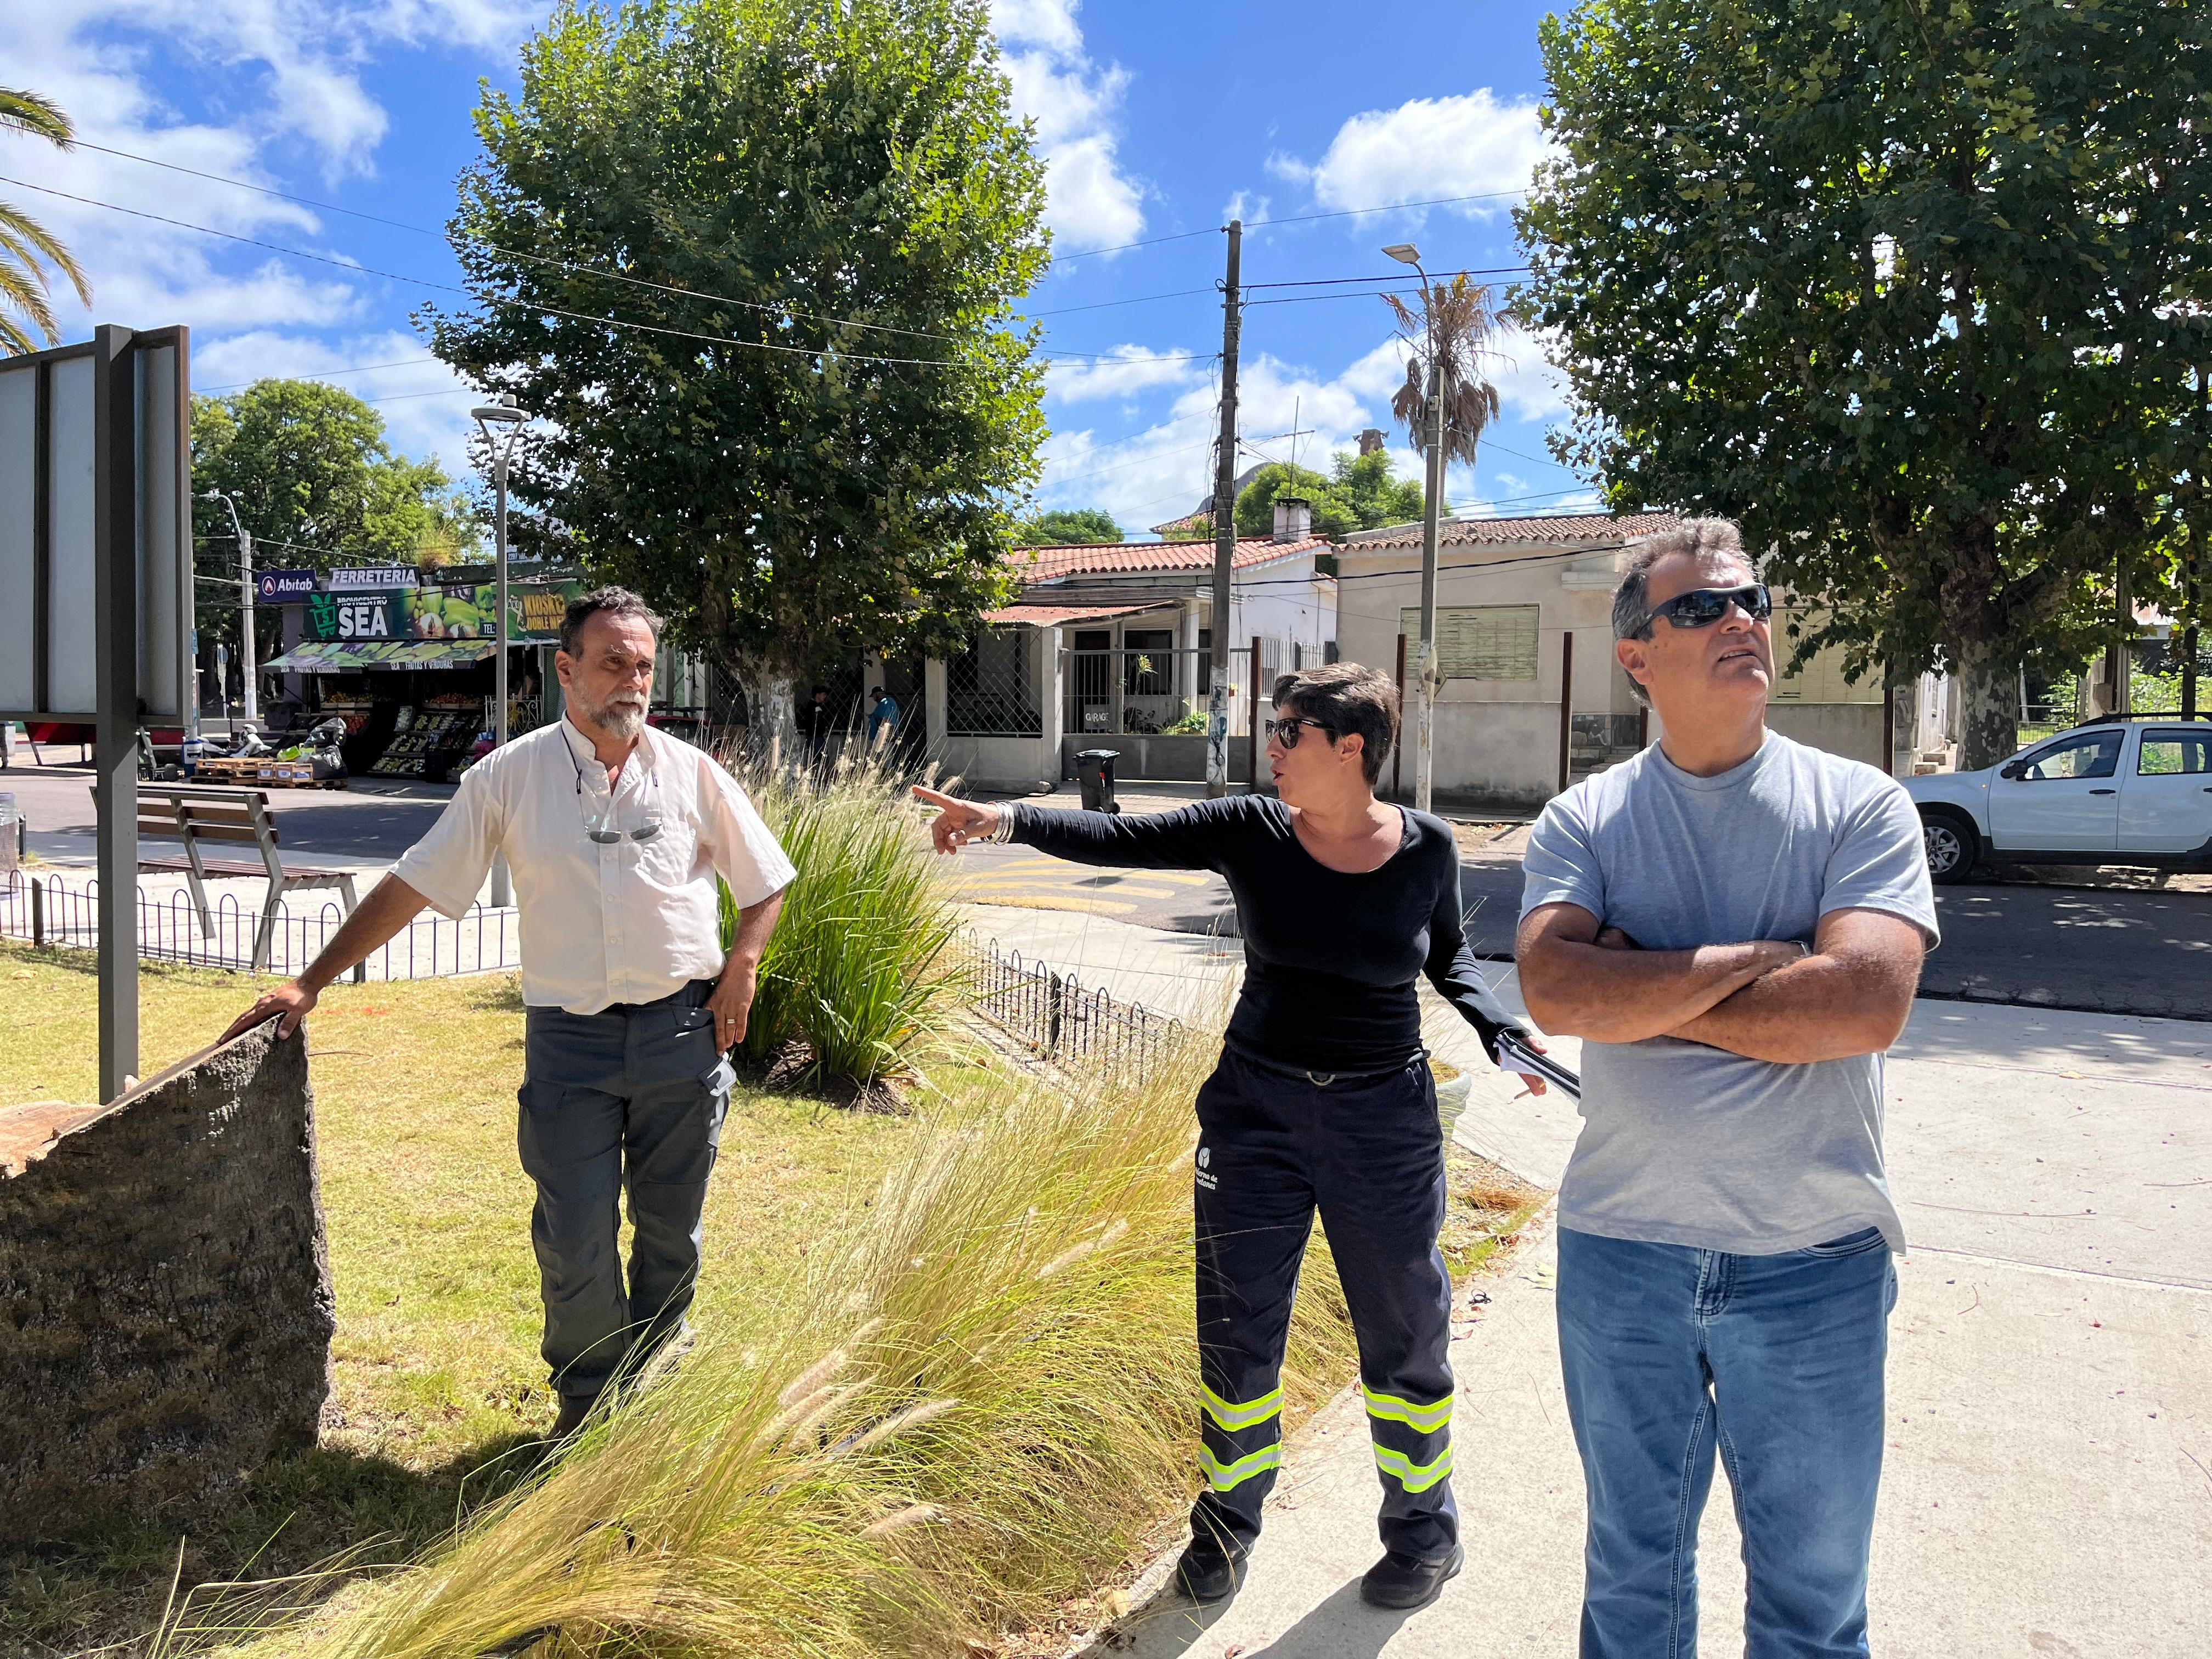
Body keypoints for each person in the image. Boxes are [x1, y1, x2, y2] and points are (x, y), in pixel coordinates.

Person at [917, 663, 1553, 1613]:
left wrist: (1495, 1024)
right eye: (1274, 729)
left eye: (1290, 731)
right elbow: (1119, 837)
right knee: (1236, 1327)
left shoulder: (1427, 845)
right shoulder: (1250, 828)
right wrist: (1005, 819)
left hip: (1382, 1120)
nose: (1273, 746)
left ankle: (1424, 1529)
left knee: (1403, 1327)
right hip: (1255, 1112)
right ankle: (1227, 1522)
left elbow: (1449, 951)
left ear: (1351, 747)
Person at [220, 587, 795, 1440]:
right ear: (565, 670)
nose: (631, 682)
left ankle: (657, 1385)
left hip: (684, 1031)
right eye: (612, 663)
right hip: (572, 1040)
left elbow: (766, 880)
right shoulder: (508, 776)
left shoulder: (692, 774)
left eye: (642, 665)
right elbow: (418, 881)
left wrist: (742, 967)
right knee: (574, 1236)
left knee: (672, 1226)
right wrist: (310, 980)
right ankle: (589, 1406)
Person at [1514, 518, 1936, 1658]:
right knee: (1629, 1590)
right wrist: (1757, 958)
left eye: (1751, 599)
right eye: (1700, 608)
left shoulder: (1862, 806)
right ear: (1637, 656)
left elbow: (1861, 1007)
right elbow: (1556, 990)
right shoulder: (1586, 819)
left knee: (1812, 1603)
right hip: (1622, 1257)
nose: (1740, 620)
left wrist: (1644, 983)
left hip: (1816, 1265)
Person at [803, 684, 834, 768]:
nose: (825, 697)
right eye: (823, 694)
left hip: (814, 736)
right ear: (818, 695)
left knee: (813, 759)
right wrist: (823, 731)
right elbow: (816, 722)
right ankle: (826, 777)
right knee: (824, 758)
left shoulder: (812, 706)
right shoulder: (815, 707)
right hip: (816, 737)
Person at [866, 685, 901, 750]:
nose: (873, 698)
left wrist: (881, 737)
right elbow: (877, 716)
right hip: (881, 737)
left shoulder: (886, 702)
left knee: (881, 757)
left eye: (873, 696)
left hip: (884, 737)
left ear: (877, 694)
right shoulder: (883, 703)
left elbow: (886, 720)